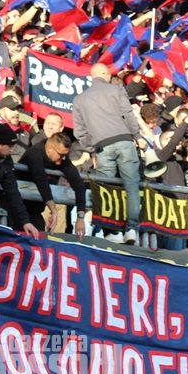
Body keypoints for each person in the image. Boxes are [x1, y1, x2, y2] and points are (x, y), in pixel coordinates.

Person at [73, 63, 141, 243]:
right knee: (131, 185)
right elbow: (128, 114)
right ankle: (131, 229)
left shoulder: (79, 99)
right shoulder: (117, 90)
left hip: (102, 147)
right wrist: (137, 136)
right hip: (125, 142)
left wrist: (92, 149)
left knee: (106, 189)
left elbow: (79, 132)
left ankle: (112, 231)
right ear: (105, 74)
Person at [19, 132, 87, 235]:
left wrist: (80, 218)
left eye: (65, 155)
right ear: (50, 148)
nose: (63, 158)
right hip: (16, 208)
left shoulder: (62, 158)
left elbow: (79, 185)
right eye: (61, 154)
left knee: (39, 239)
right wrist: (53, 210)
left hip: (35, 212)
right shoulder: (35, 153)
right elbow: (41, 179)